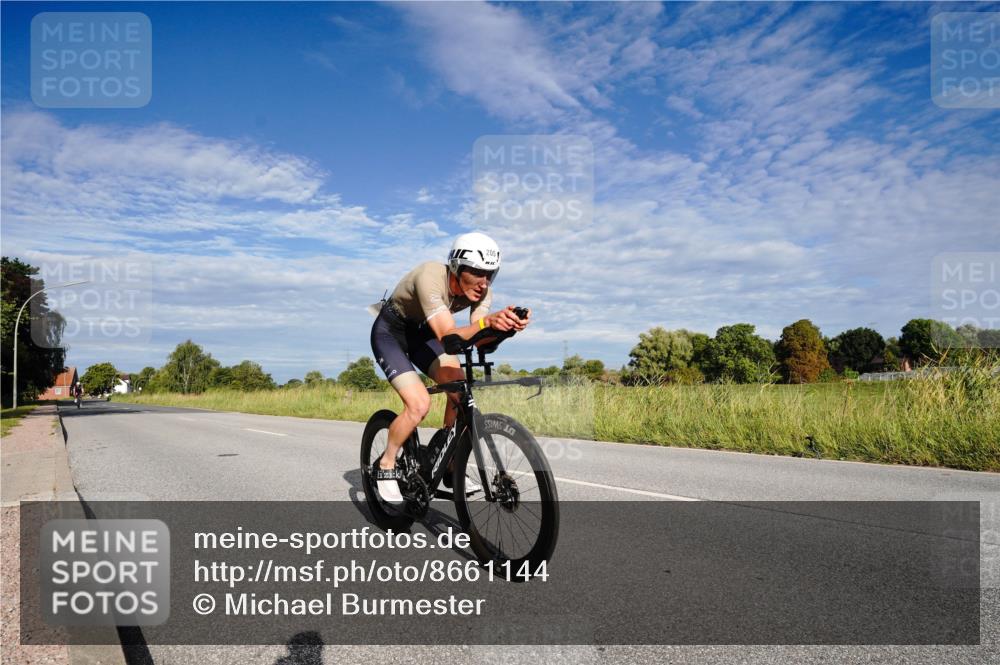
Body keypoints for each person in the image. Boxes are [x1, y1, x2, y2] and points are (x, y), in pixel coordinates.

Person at [370, 232, 530, 503]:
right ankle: (386, 464)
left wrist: (504, 329)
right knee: (419, 405)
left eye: (490, 274)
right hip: (392, 333)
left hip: (424, 335)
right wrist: (486, 324)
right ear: (456, 266)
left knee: (460, 392)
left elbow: (478, 340)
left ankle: (449, 464)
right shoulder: (430, 276)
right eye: (477, 273)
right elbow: (449, 335)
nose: (484, 283)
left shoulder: (482, 291)